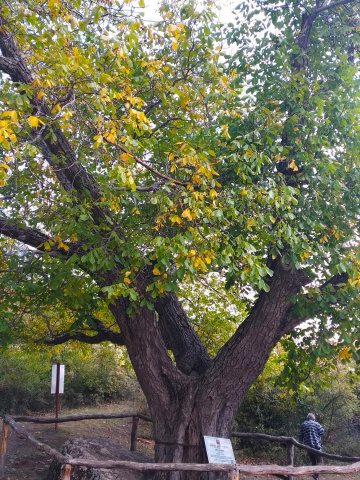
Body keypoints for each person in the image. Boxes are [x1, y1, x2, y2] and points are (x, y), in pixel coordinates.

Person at [299, 413, 325, 480]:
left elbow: (300, 436)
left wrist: (300, 444)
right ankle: (315, 475)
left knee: (313, 461)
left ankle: (315, 477)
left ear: (307, 418)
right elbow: (322, 432)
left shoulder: (303, 424)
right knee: (320, 462)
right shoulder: (316, 424)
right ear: (313, 418)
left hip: (308, 447)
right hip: (317, 446)